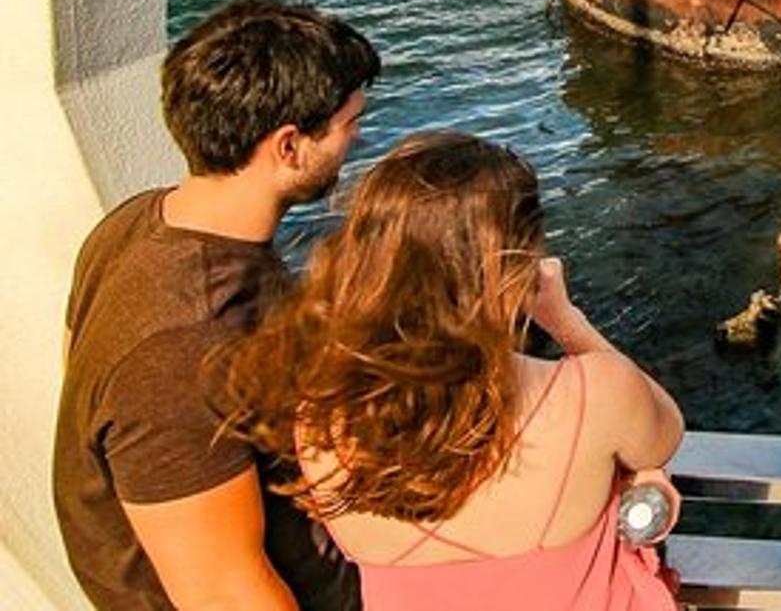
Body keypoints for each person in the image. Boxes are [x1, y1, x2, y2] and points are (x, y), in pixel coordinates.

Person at [225, 131, 684, 611]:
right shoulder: (597, 393)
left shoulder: (321, 420)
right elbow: (665, 431)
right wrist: (568, 324)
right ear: (514, 262)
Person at [54, 0, 380, 610]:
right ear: (289, 146)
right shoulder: (183, 349)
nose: (357, 139)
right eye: (349, 124)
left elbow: (78, 372)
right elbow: (222, 593)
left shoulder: (134, 223)